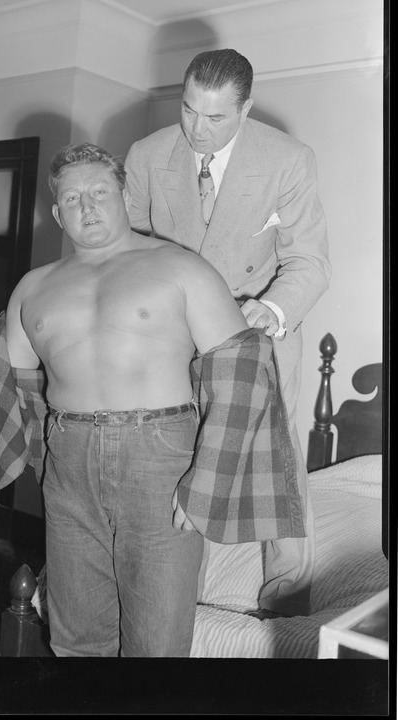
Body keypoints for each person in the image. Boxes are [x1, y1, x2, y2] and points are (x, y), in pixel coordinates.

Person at [0, 143, 307, 657]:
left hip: (162, 459)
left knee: (155, 644)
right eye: (72, 198)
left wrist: (206, 481)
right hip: (68, 461)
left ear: (125, 197)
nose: (87, 206)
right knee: (76, 636)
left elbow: (243, 373)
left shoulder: (182, 268)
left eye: (99, 192)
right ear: (57, 213)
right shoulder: (33, 287)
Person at [124, 48, 331, 617]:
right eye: (188, 109)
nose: (197, 129)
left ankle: (287, 599)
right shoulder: (146, 155)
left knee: (279, 456)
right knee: (180, 450)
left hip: (259, 330)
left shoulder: (288, 159)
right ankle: (180, 596)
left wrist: (273, 308)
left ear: (246, 108)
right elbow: (127, 253)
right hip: (176, 334)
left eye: (215, 117)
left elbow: (310, 262)